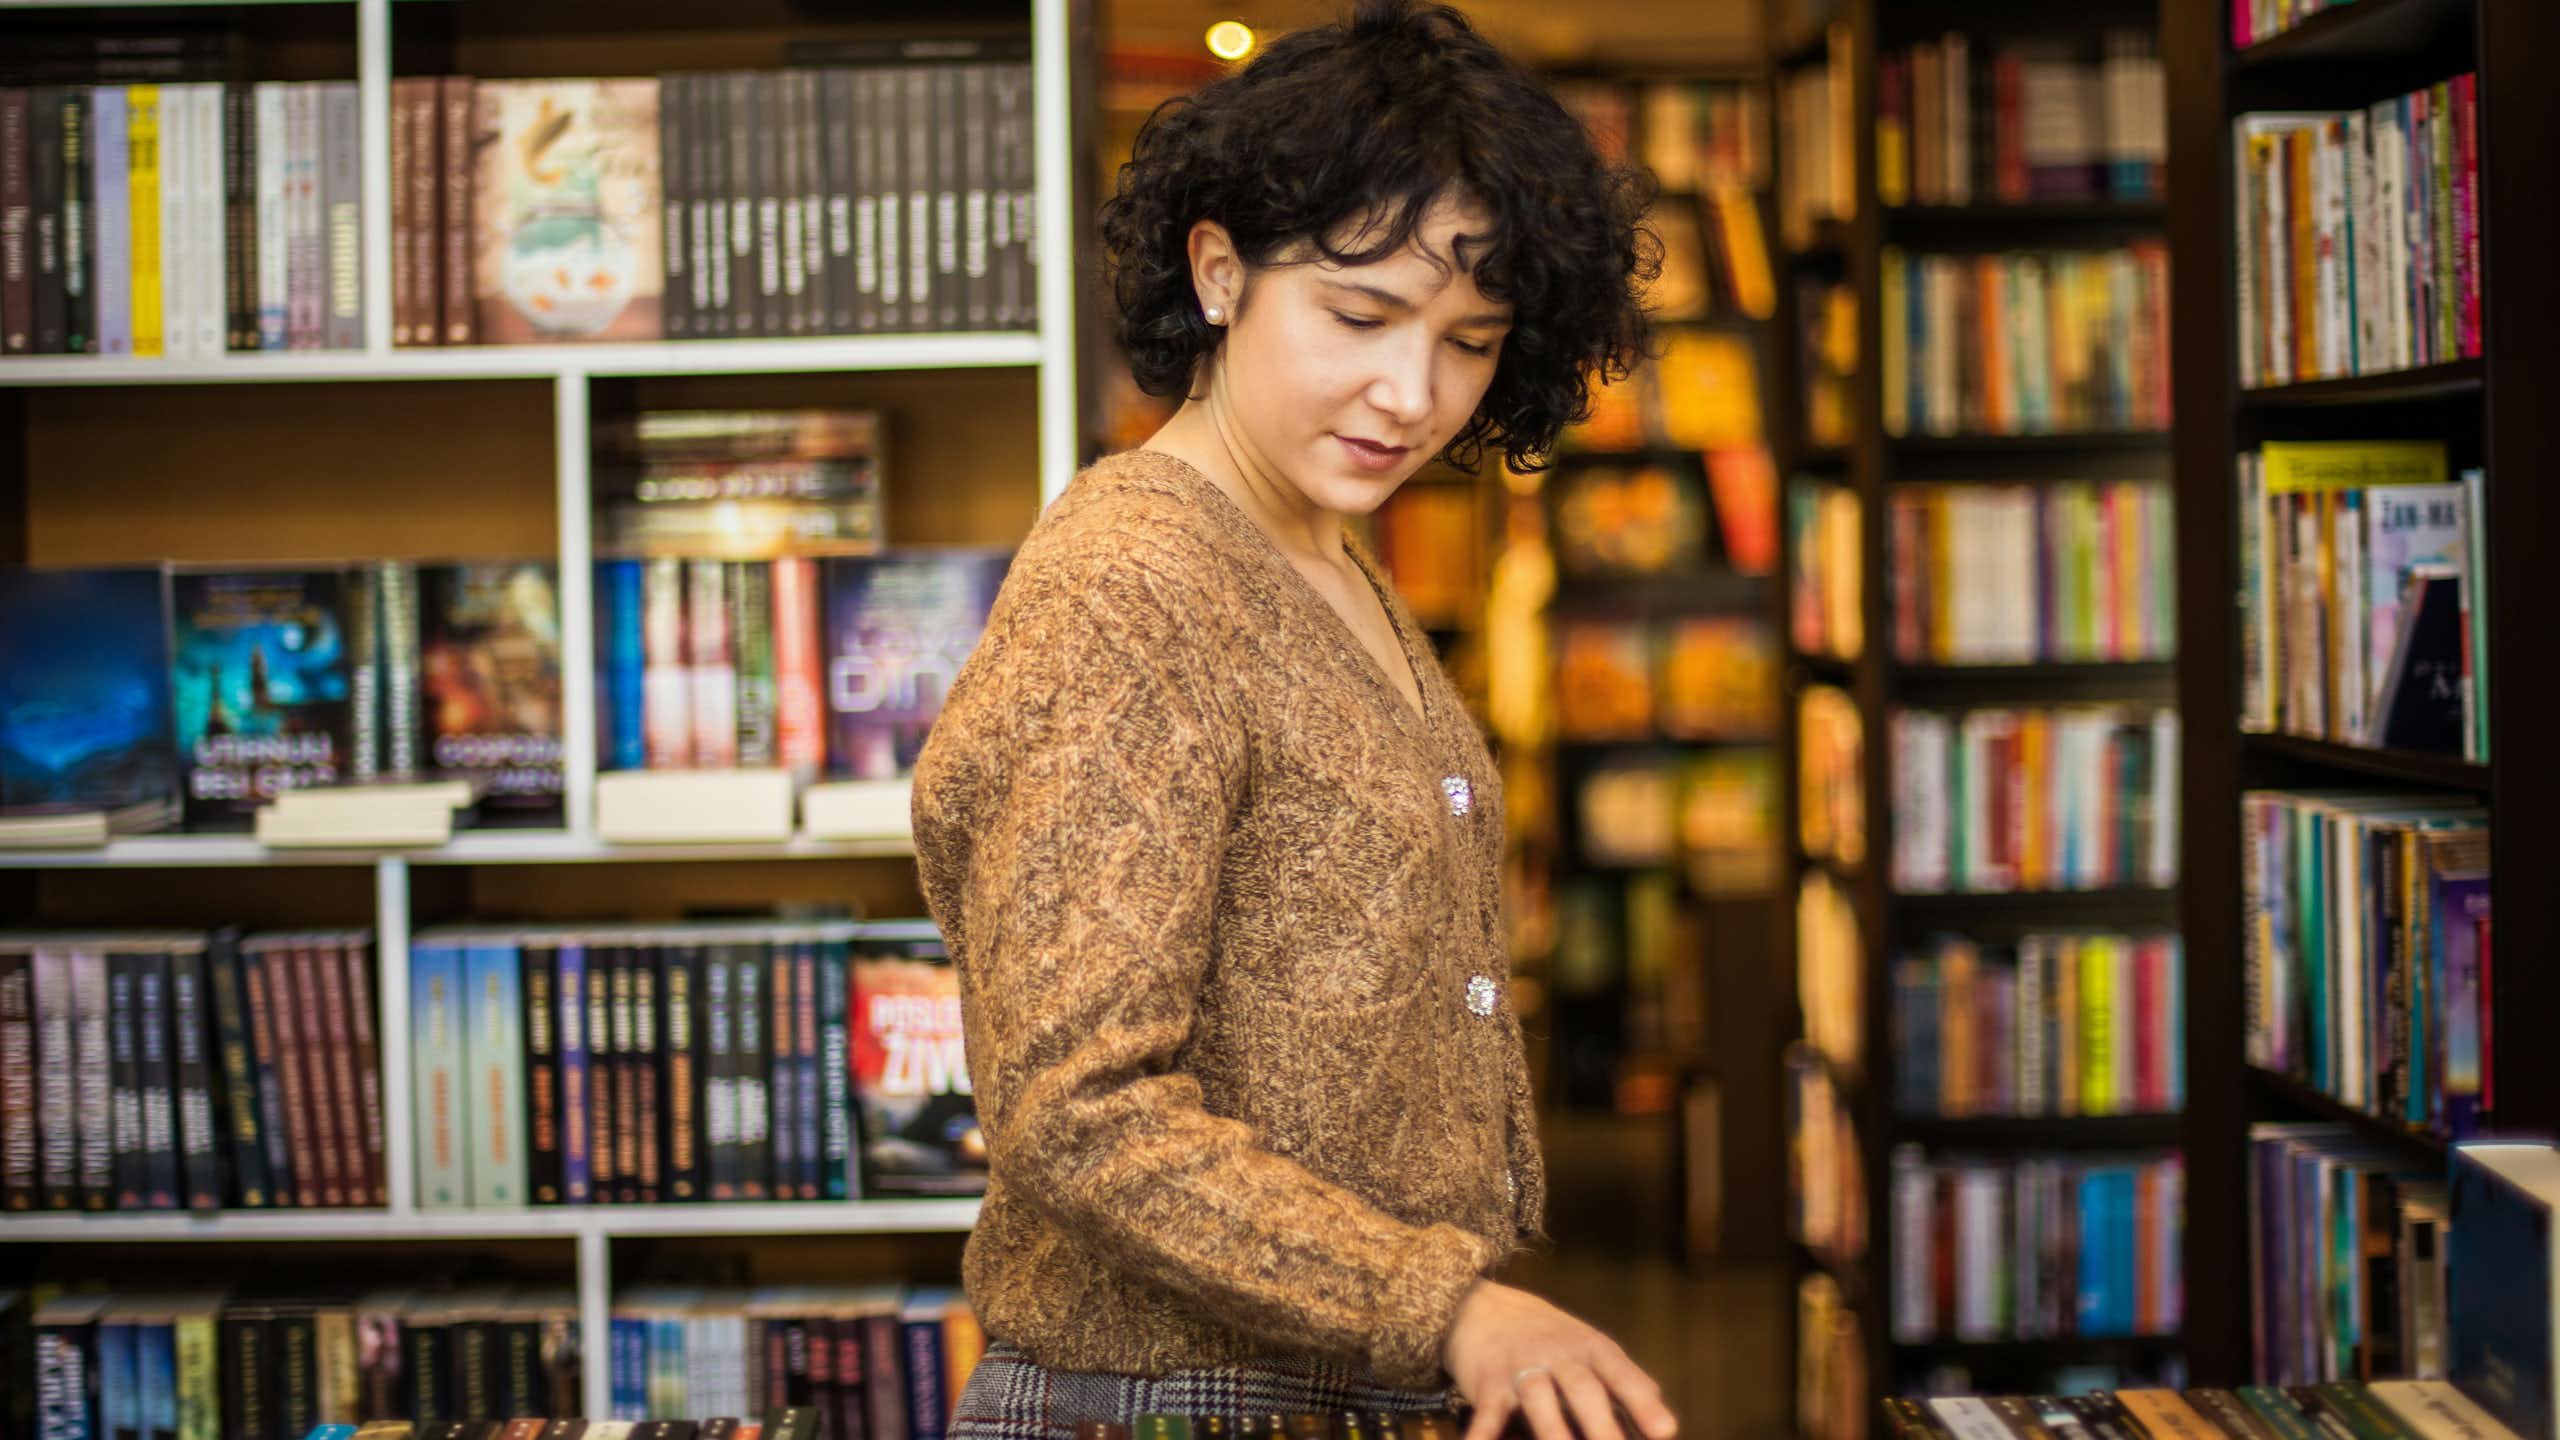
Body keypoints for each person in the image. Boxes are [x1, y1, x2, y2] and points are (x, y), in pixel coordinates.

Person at [908, 5, 1671, 1440]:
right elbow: (1076, 1107)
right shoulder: (1129, 588)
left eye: (1471, 343)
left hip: (1334, 1391)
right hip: (1160, 1404)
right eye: (1362, 316)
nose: (1413, 393)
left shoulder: (1323, 549)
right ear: (1219, 272)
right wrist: (1444, 1302)